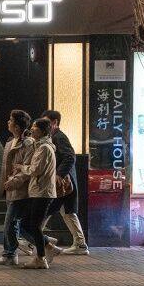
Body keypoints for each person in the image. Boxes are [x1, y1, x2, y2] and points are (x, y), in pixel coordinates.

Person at [14, 117, 59, 271]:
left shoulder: (44, 148)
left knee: (33, 225)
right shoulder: (41, 145)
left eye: (34, 127)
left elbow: (35, 170)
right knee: (28, 224)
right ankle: (47, 246)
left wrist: (21, 167)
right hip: (39, 191)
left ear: (42, 130)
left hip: (42, 192)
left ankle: (41, 258)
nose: (31, 129)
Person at [40, 109, 88, 255]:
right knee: (66, 212)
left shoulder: (59, 137)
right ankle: (80, 244)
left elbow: (70, 156)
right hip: (63, 183)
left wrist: (59, 175)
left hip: (63, 183)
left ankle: (32, 238)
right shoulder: (53, 136)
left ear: (55, 123)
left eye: (47, 123)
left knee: (47, 209)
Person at [0, 110, 34, 267]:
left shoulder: (28, 143)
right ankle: (46, 245)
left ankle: (9, 254)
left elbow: (27, 168)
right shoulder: (11, 141)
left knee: (10, 223)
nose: (7, 122)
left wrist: (14, 182)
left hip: (20, 189)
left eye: (10, 120)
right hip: (9, 188)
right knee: (16, 224)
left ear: (17, 126)